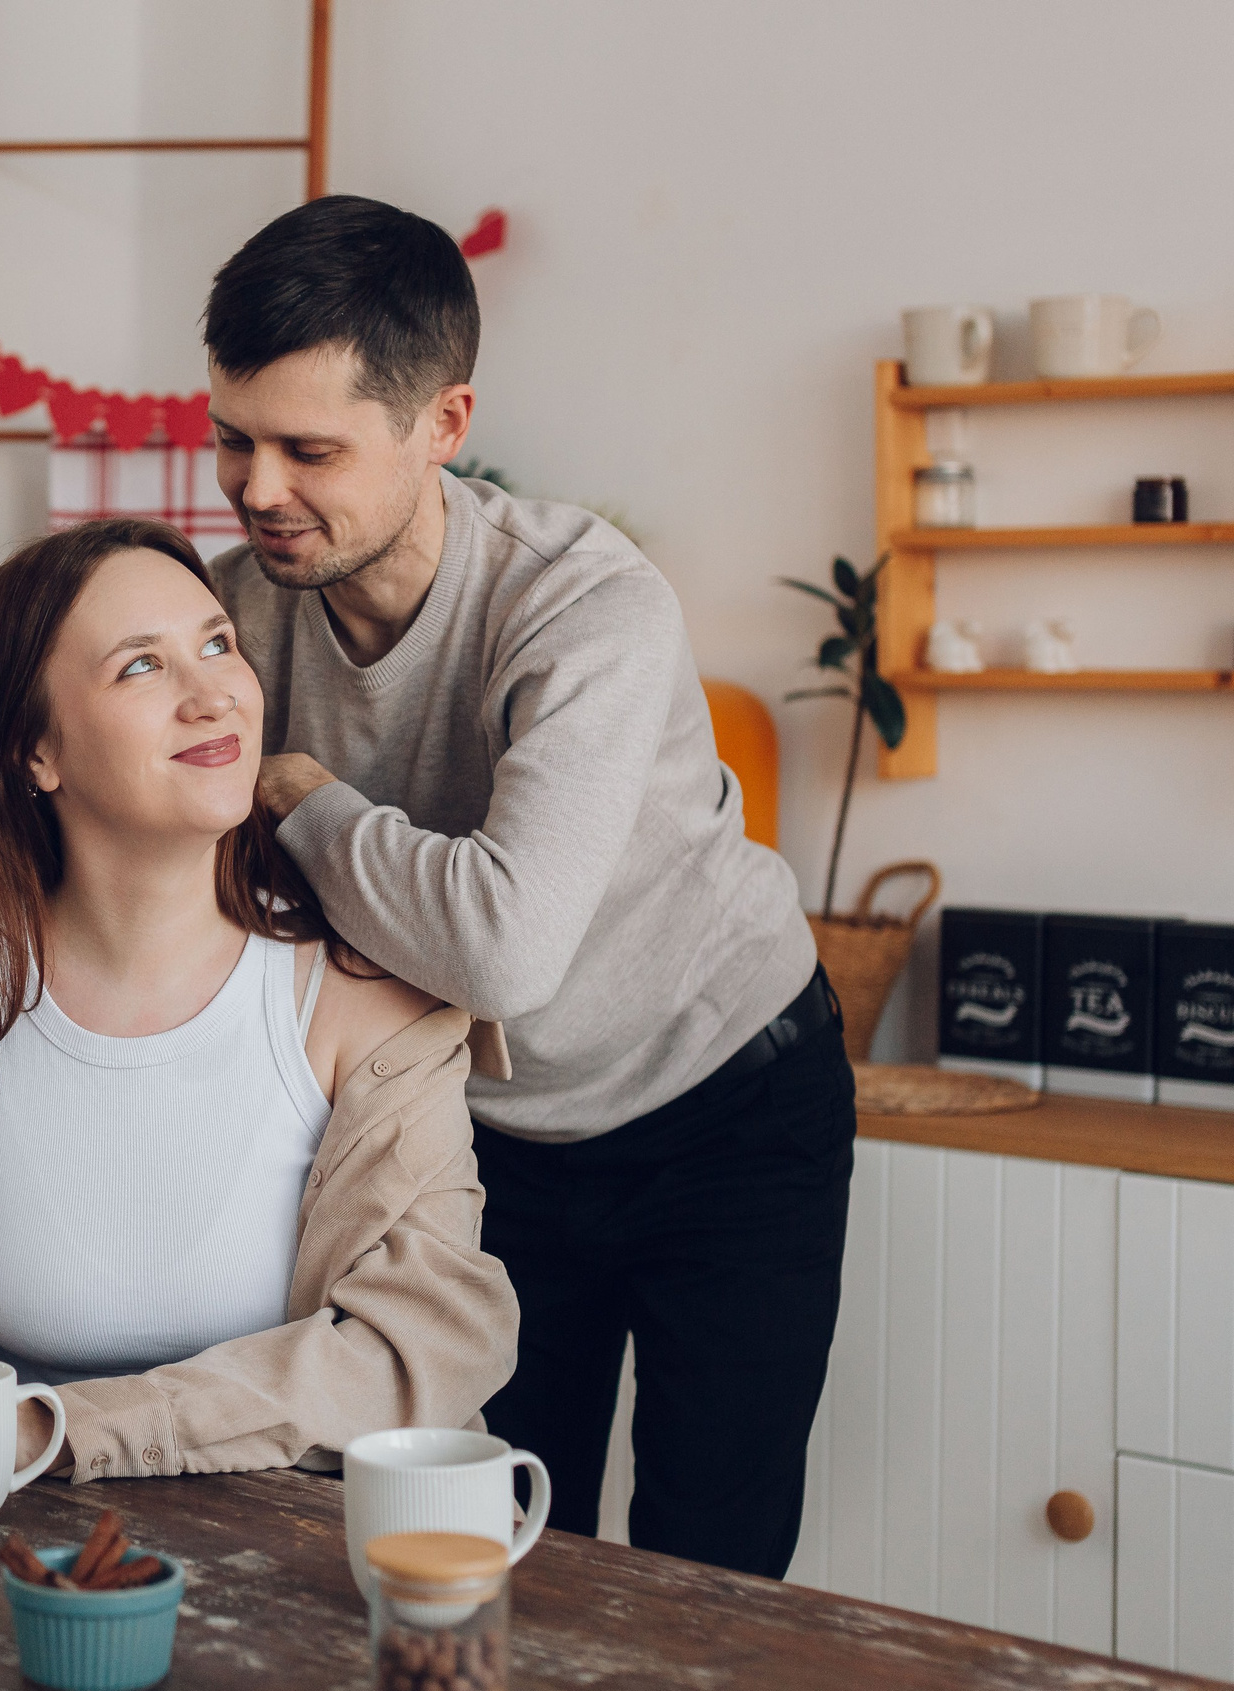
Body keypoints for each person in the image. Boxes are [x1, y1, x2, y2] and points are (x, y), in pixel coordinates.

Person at [196, 194, 855, 1577]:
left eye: (310, 449)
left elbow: (503, 950)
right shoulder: (234, 612)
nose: (257, 489)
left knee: (707, 1576)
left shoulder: (583, 603)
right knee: (486, 1546)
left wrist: (305, 798)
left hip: (726, 1103)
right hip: (482, 1135)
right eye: (232, 439)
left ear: (442, 423)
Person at [0, 517, 518, 1482]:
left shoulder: (368, 995)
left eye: (217, 644)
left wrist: (58, 1429)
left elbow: (426, 1344)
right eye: (141, 666)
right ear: (35, 752)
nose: (214, 694)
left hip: (295, 1547)